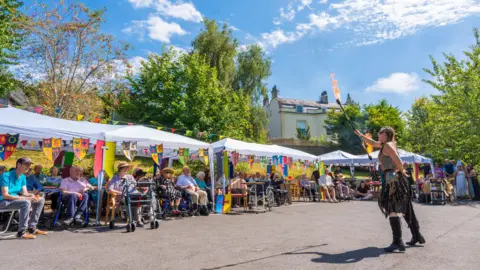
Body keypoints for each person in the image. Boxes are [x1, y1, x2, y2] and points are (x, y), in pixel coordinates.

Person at [355, 127, 425, 252]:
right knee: (406, 209)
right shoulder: (385, 144)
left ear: (386, 134)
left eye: (380, 133)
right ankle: (417, 236)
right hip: (393, 179)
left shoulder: (387, 146)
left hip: (394, 181)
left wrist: (400, 171)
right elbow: (371, 143)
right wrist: (360, 134)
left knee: (392, 208)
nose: (378, 134)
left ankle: (398, 242)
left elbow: (397, 159)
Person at [0, 158, 48, 239]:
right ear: (18, 165)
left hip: (13, 200)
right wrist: (26, 199)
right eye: (26, 165)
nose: (28, 167)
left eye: (29, 165)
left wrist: (32, 196)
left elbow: (25, 193)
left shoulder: (22, 177)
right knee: (26, 203)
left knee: (40, 200)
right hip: (3, 201)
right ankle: (21, 232)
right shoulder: (5, 175)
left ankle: (32, 227)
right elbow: (5, 195)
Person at [107, 162, 145, 226]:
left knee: (139, 199)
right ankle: (132, 220)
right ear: (120, 169)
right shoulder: (115, 178)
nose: (126, 169)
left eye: (127, 168)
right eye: (125, 168)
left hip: (132, 194)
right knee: (128, 200)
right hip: (121, 196)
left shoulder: (129, 177)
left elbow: (135, 184)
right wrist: (120, 192)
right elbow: (110, 189)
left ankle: (138, 219)